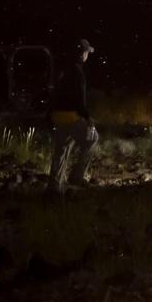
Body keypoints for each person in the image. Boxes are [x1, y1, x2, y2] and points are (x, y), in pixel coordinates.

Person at [48, 39, 99, 191]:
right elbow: (80, 100)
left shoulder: (62, 70)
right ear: (83, 54)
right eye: (87, 52)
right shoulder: (78, 72)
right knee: (93, 138)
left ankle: (54, 187)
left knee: (62, 149)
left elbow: (54, 93)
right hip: (71, 117)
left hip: (57, 116)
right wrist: (88, 117)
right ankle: (77, 176)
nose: (87, 55)